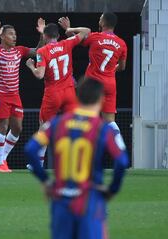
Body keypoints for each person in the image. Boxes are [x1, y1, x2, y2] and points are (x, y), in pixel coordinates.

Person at [25, 79, 129, 239]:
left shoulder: (56, 123)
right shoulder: (103, 128)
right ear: (101, 99)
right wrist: (112, 190)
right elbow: (122, 161)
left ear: (77, 98)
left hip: (60, 201)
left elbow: (31, 149)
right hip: (89, 200)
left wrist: (45, 181)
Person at [25, 22, 90, 169]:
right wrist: (70, 29)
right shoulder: (66, 43)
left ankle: (38, 164)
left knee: (44, 126)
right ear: (58, 36)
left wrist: (30, 66)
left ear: (45, 36)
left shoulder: (42, 52)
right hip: (69, 91)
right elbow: (86, 30)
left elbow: (39, 75)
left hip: (53, 93)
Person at [0, 19, 45, 173]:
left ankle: (1, 158)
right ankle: (0, 163)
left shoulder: (19, 50)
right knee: (3, 127)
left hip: (15, 95)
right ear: (3, 36)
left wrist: (42, 35)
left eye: (15, 34)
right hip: (0, 94)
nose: (14, 37)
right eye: (11, 34)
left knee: (17, 128)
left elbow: (38, 51)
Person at [59, 12, 127, 137]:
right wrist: (111, 70)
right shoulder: (121, 43)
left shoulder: (96, 37)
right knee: (110, 121)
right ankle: (119, 146)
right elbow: (122, 67)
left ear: (103, 23)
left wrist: (68, 28)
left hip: (93, 84)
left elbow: (76, 40)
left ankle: (80, 146)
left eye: (100, 18)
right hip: (110, 84)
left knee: (84, 116)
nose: (99, 20)